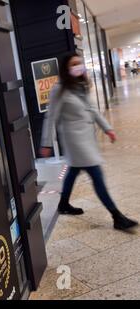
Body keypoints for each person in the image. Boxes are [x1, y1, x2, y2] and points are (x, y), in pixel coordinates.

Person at [40, 53, 138, 231]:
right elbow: (51, 116)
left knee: (73, 171)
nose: (79, 66)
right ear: (66, 68)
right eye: (74, 64)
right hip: (75, 141)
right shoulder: (59, 89)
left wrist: (108, 128)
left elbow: (93, 110)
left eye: (80, 63)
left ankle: (63, 204)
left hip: (86, 137)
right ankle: (117, 216)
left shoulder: (81, 85)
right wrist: (46, 143)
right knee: (96, 174)